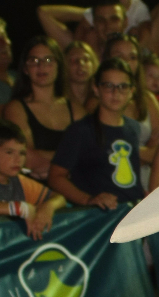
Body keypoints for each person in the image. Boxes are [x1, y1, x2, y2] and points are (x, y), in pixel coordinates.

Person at [48, 58, 145, 209]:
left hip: (133, 211)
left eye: (123, 86)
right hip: (101, 216)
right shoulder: (81, 130)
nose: (116, 93)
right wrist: (88, 199)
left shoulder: (133, 127)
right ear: (96, 88)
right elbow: (56, 177)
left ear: (132, 91)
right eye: (108, 86)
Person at [0, 120, 65, 239]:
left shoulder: (20, 181)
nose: (18, 159)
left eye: (22, 153)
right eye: (9, 152)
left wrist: (48, 207)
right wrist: (21, 208)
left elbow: (59, 198)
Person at [2, 36, 82, 181]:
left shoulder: (75, 109)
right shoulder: (16, 108)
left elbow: (90, 152)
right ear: (25, 68)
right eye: (34, 60)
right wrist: (70, 159)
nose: (41, 66)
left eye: (48, 60)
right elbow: (25, 155)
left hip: (73, 184)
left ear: (59, 65)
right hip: (35, 186)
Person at [105, 34, 159, 171]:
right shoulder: (97, 101)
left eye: (132, 57)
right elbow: (106, 153)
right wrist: (149, 148)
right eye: (119, 55)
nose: (126, 62)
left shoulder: (147, 98)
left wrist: (134, 152)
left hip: (148, 176)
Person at [37, 0, 126, 62]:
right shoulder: (80, 55)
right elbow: (44, 12)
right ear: (94, 23)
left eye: (114, 19)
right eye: (100, 20)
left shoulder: (133, 51)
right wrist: (87, 15)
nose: (108, 26)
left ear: (125, 22)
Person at [64, 40, 99, 117]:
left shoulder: (101, 99)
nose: (81, 64)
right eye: (73, 60)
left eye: (86, 59)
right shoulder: (59, 99)